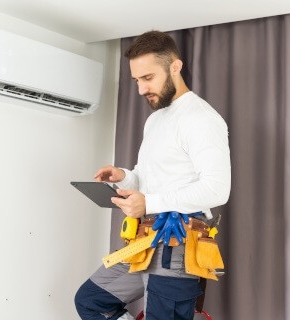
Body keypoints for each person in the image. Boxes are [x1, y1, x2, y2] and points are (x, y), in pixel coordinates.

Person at [74, 30, 231, 320]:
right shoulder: (156, 119)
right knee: (91, 301)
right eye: (136, 80)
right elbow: (147, 179)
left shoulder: (202, 119)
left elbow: (217, 188)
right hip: (144, 240)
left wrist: (149, 203)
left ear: (175, 66)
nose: (141, 89)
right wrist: (122, 177)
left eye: (148, 78)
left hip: (178, 244)